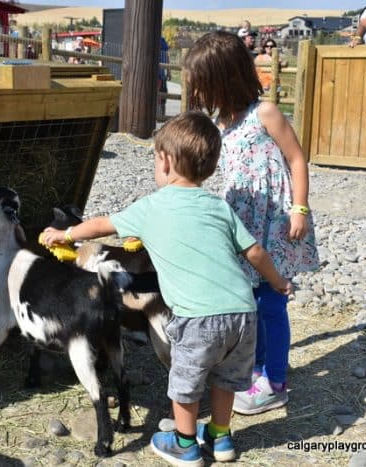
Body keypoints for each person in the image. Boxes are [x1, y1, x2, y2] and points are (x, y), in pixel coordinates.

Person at [42, 111, 292, 467]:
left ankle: (185, 444)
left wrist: (64, 234)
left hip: (199, 319)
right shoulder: (219, 206)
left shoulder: (152, 207)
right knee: (224, 380)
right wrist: (278, 282)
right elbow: (254, 251)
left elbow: (99, 225)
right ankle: (220, 438)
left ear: (166, 162)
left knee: (186, 382)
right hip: (243, 314)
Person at [183, 31, 319, 416]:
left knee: (271, 303)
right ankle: (258, 370)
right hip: (242, 227)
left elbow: (297, 159)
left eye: (205, 86)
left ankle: (275, 383)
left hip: (275, 223)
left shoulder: (266, 113)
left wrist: (300, 208)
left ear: (223, 80)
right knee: (249, 303)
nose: (200, 95)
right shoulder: (223, 123)